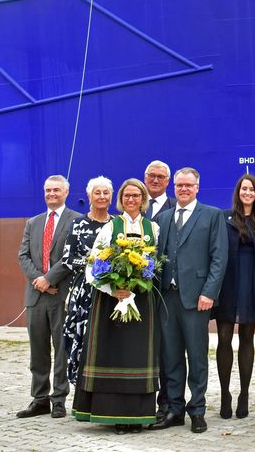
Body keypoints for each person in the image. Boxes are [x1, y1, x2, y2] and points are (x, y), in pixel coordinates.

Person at [71, 178, 163, 434]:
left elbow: (156, 263)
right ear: (121, 199)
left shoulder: (153, 228)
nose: (131, 200)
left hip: (142, 301)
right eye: (127, 196)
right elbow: (93, 264)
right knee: (114, 354)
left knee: (137, 356)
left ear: (143, 199)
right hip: (112, 299)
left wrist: (138, 283)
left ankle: (138, 416)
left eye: (136, 196)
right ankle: (112, 414)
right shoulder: (110, 227)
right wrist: (113, 289)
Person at [148, 167, 227, 434]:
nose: (183, 189)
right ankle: (174, 409)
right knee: (170, 357)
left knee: (197, 356)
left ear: (197, 187)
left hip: (196, 300)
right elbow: (158, 256)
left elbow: (219, 258)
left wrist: (209, 293)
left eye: (188, 185)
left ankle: (198, 410)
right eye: (179, 185)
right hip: (167, 298)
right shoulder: (165, 217)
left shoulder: (212, 215)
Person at [16, 174, 83, 419]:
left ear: (66, 192)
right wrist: (40, 281)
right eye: (48, 190)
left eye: (56, 190)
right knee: (38, 350)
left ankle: (59, 399)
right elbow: (22, 256)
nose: (51, 194)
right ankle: (40, 398)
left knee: (62, 349)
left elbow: (72, 256)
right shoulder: (32, 223)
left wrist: (49, 279)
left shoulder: (77, 221)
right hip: (36, 296)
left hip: (61, 295)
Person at [213, 174, 255, 419]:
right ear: (238, 192)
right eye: (243, 188)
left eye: (251, 189)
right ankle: (225, 394)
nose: (247, 192)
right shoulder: (224, 217)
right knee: (224, 338)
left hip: (253, 284)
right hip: (229, 283)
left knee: (247, 338)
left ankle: (244, 395)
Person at [61, 177, 113, 395]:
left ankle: (107, 388)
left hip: (111, 291)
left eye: (105, 193)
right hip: (85, 293)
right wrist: (94, 263)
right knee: (84, 340)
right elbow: (67, 259)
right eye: (97, 193)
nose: (101, 197)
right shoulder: (78, 224)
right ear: (89, 196)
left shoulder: (117, 224)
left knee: (107, 341)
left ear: (111, 197)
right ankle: (84, 392)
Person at [143, 159, 173, 420]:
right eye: (151, 176)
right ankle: (140, 403)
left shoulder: (177, 208)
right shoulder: (133, 208)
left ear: (168, 181)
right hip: (137, 292)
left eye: (160, 177)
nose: (155, 180)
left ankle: (166, 403)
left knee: (167, 351)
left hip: (166, 293)